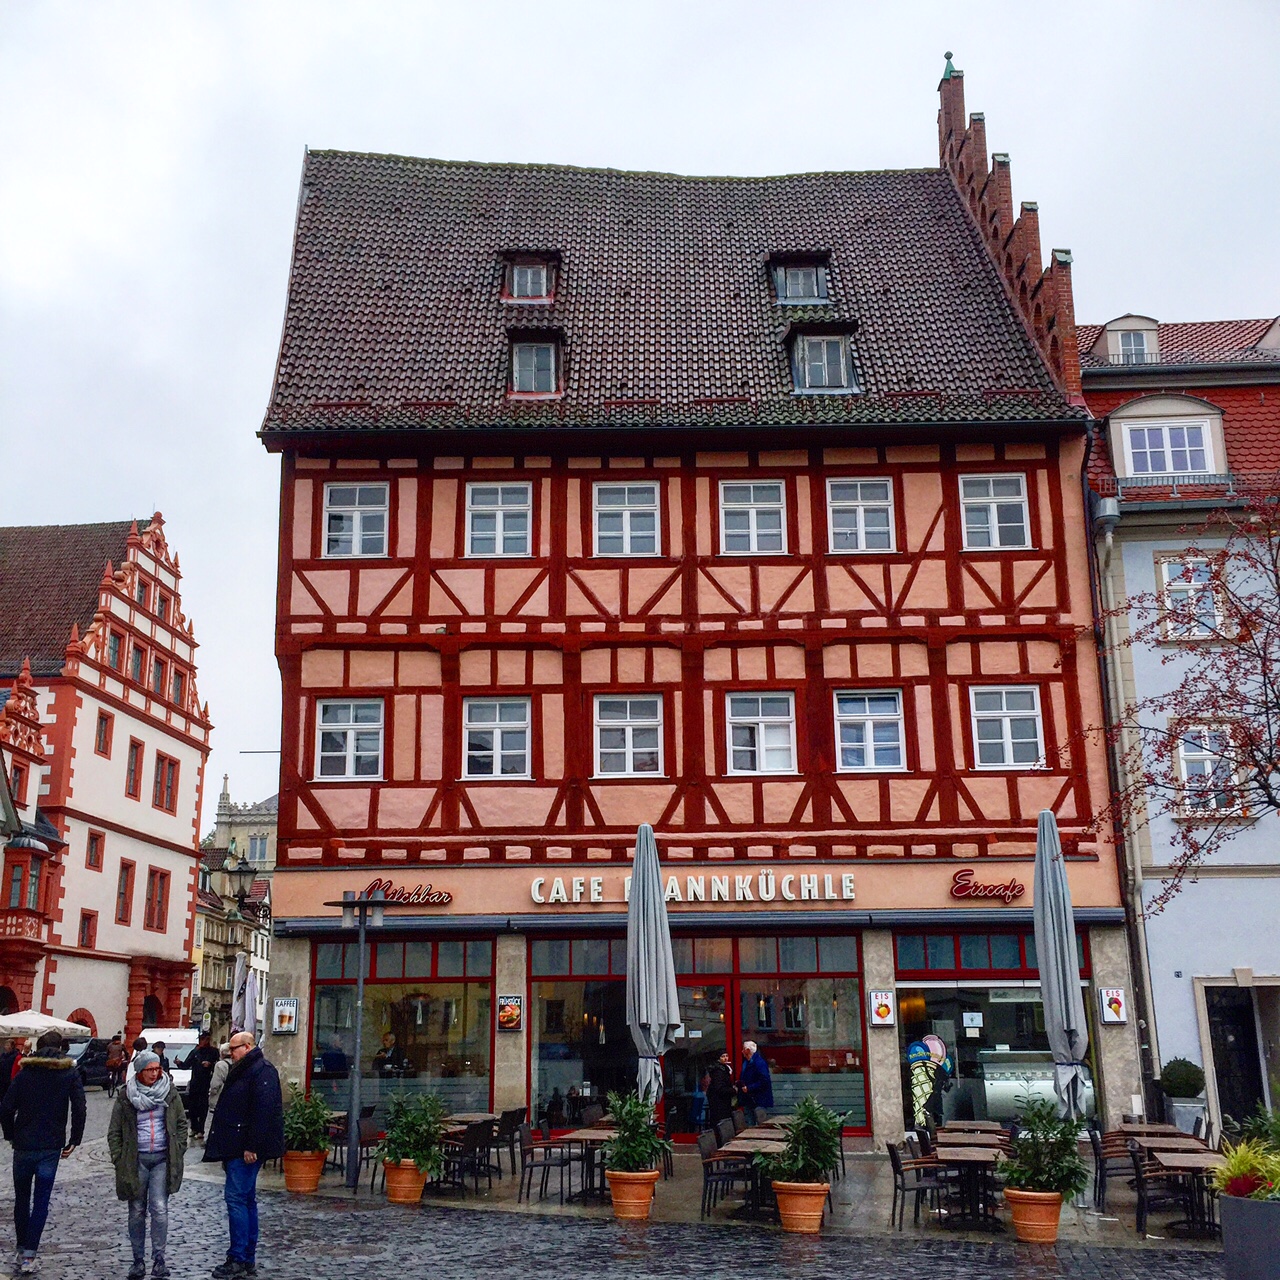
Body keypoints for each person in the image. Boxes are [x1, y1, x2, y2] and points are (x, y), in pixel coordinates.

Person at [0, 1030, 87, 1274]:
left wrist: (10, 1134)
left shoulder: (26, 1073)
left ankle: (20, 1248)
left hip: (24, 1143)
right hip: (50, 1144)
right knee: (41, 1201)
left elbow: (6, 1107)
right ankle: (30, 1255)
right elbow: (79, 1107)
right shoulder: (69, 1072)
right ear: (61, 1048)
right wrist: (75, 1139)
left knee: (21, 1199)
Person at [203, 1033, 284, 1278]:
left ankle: (239, 1257)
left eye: (234, 1048)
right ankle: (245, 1256)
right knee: (245, 1200)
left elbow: (264, 1111)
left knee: (237, 1199)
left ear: (247, 1047)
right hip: (236, 1145)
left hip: (245, 1149)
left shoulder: (261, 1071)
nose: (230, 1053)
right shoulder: (247, 1068)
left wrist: (253, 1146)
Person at [108, 1050, 189, 1280]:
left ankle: (159, 1259)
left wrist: (178, 1148)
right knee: (136, 1211)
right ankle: (137, 1260)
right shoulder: (126, 1096)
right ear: (140, 1072)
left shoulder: (170, 1093)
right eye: (150, 1070)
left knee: (160, 1209)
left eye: (157, 1069)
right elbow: (114, 1131)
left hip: (162, 1159)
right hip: (136, 1160)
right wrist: (119, 1158)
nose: (155, 1073)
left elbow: (181, 1124)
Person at [184, 1033, 220, 1141]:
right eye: (202, 1040)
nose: (204, 1042)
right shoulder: (195, 1051)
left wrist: (210, 1065)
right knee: (192, 1108)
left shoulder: (213, 1052)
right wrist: (179, 1063)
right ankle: (194, 1127)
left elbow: (218, 1064)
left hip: (205, 1084)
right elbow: (186, 1064)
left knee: (203, 1108)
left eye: (206, 1040)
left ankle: (201, 1130)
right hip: (194, 1083)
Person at [737, 1040, 774, 1125]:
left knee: (758, 1123)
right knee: (750, 1121)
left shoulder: (758, 1063)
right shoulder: (748, 1062)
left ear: (748, 1050)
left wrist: (749, 1088)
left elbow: (765, 1081)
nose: (742, 1051)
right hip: (750, 1099)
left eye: (743, 1049)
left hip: (757, 1099)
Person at [705, 1049, 736, 1129]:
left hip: (721, 1101)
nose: (725, 1058)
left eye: (726, 1056)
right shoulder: (718, 1071)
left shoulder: (723, 1068)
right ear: (718, 1058)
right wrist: (733, 1090)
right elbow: (719, 1088)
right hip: (719, 1102)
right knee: (720, 1123)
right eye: (723, 1056)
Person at [206, 1044, 232, 1118]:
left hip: (220, 1098)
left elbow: (215, 1084)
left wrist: (211, 1093)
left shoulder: (220, 1065)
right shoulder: (237, 1062)